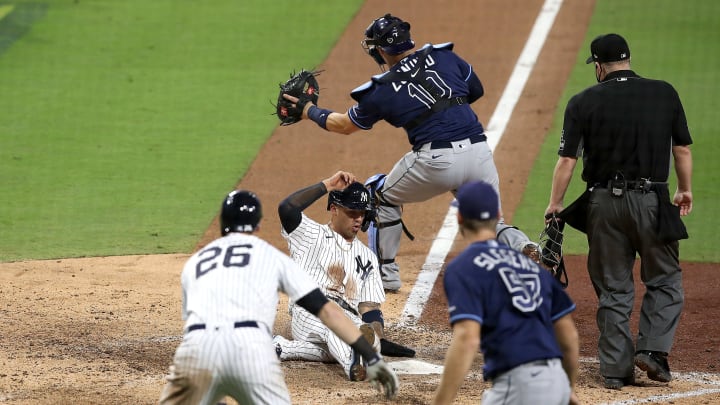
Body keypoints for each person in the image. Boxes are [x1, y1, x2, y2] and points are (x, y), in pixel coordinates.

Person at [281, 13, 539, 292]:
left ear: (380, 49)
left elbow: (344, 125)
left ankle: (385, 274)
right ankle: (522, 244)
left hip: (436, 160)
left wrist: (309, 111)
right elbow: (474, 89)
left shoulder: (382, 89)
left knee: (377, 195)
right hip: (479, 152)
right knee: (489, 219)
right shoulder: (445, 57)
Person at [545, 33, 693, 390]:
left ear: (598, 66)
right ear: (627, 59)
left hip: (602, 206)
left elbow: (567, 160)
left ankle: (615, 369)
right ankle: (654, 352)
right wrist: (684, 189)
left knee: (613, 287)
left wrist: (555, 204)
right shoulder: (664, 92)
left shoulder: (583, 101)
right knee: (665, 279)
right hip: (653, 202)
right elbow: (682, 150)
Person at [158, 190, 398, 404]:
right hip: (250, 352)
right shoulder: (270, 256)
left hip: (198, 349)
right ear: (258, 226)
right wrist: (371, 356)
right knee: (338, 330)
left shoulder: (195, 263)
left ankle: (287, 348)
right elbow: (326, 311)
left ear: (221, 223)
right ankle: (355, 360)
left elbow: (191, 316)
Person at [432, 181, 579, 405]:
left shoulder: (464, 267)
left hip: (519, 386)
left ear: (460, 218)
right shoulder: (531, 267)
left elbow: (467, 339)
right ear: (498, 215)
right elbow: (569, 336)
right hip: (556, 381)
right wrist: (566, 388)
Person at [273, 170, 415, 382]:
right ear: (334, 209)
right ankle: (353, 360)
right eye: (352, 212)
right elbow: (287, 208)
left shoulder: (367, 256)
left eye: (362, 213)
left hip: (349, 316)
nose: (358, 219)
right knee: (337, 325)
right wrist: (328, 185)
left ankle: (284, 347)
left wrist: (376, 335)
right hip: (310, 309)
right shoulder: (311, 234)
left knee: (361, 336)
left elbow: (370, 309)